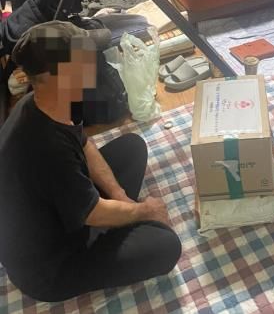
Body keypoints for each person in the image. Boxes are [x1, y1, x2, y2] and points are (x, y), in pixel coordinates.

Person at [0, 21, 181, 302]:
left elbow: (84, 144)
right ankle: (115, 232)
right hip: (51, 266)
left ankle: (118, 223)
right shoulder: (47, 146)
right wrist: (144, 211)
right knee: (166, 246)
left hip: (62, 212)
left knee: (132, 147)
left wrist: (120, 196)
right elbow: (92, 213)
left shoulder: (46, 101)